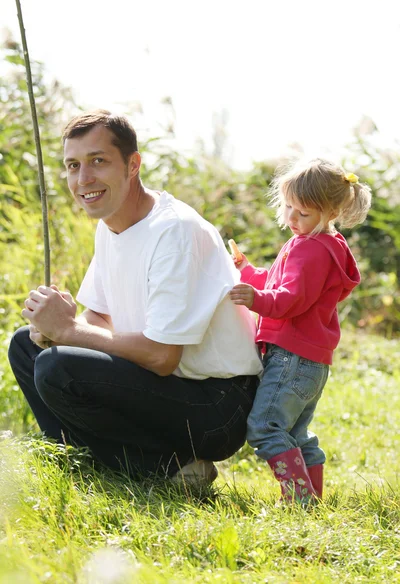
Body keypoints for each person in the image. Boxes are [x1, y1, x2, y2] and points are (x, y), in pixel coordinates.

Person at [8, 109, 262, 484]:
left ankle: (166, 469)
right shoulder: (110, 225)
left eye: (98, 161)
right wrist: (55, 330)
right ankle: (86, 462)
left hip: (216, 406)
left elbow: (162, 355)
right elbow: (98, 319)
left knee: (55, 365)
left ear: (132, 165)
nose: (83, 178)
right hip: (164, 386)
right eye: (73, 165)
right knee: (25, 347)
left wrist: (68, 333)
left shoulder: (173, 230)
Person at [229, 158, 371, 503]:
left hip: (290, 357)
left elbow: (290, 299)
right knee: (296, 432)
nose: (292, 219)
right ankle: (311, 499)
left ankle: (299, 500)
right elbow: (283, 282)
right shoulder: (323, 244)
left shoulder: (310, 249)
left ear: (331, 211)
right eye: (288, 207)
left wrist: (256, 300)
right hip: (311, 361)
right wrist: (248, 272)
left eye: (303, 213)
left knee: (265, 427)